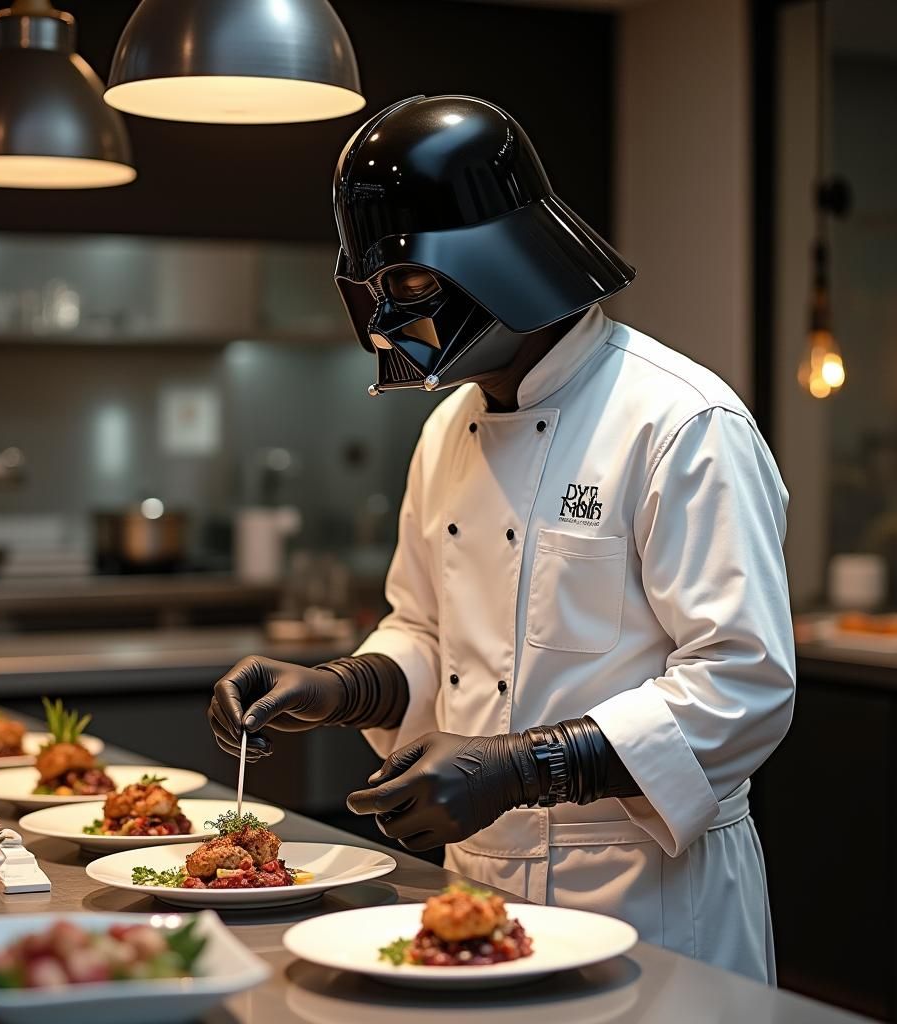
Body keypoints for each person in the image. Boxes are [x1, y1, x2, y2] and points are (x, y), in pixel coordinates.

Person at [208, 95, 795, 983]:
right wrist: (338, 688)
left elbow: (743, 686)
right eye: (373, 290)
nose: (381, 322)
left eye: (406, 286)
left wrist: (523, 768)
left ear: (506, 264)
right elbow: (427, 635)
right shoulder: (448, 427)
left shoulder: (680, 422)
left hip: (649, 892)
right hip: (475, 875)